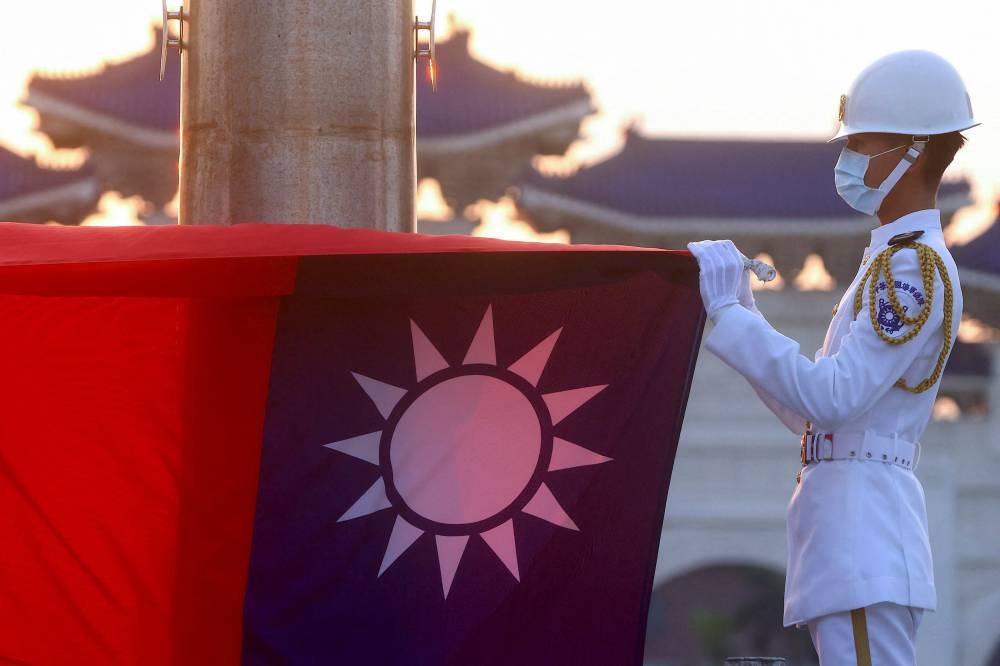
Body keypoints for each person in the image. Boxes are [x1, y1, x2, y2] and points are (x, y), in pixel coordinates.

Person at [688, 50, 978, 665]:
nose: (847, 161)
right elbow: (813, 415)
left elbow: (831, 398)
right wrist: (744, 313)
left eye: (863, 144)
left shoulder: (911, 266)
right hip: (847, 529)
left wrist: (731, 318)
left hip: (864, 532)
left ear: (914, 150)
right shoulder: (887, 258)